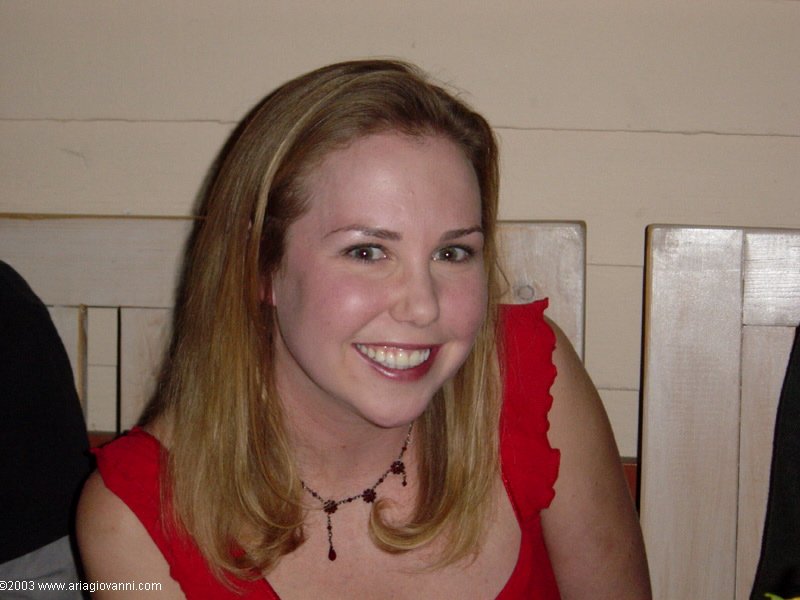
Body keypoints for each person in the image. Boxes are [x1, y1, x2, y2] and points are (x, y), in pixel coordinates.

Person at [77, 59, 650, 599]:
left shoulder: (531, 379)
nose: (422, 307)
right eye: (368, 251)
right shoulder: (136, 517)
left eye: (452, 253)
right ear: (258, 266)